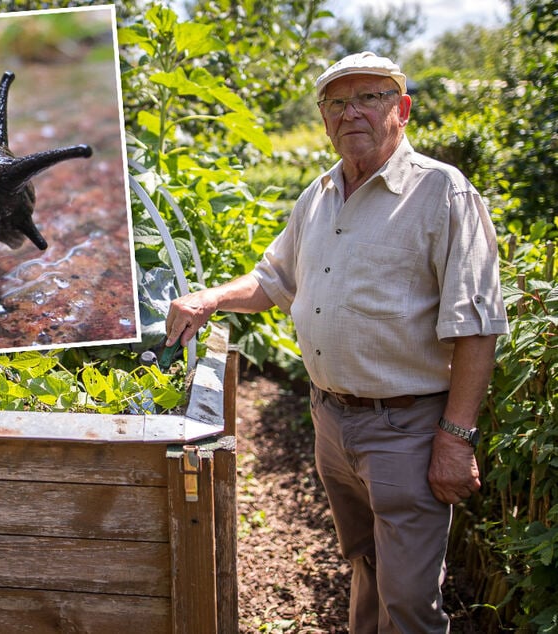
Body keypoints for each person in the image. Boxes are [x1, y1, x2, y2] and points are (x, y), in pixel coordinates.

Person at [165, 51, 508, 632]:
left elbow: (476, 325)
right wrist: (210, 299)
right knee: (367, 564)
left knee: (410, 602)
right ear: (324, 120)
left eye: (369, 98)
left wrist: (455, 439)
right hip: (331, 420)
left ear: (401, 109)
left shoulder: (441, 194)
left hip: (405, 430)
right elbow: (274, 280)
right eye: (336, 102)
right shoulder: (319, 196)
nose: (352, 112)